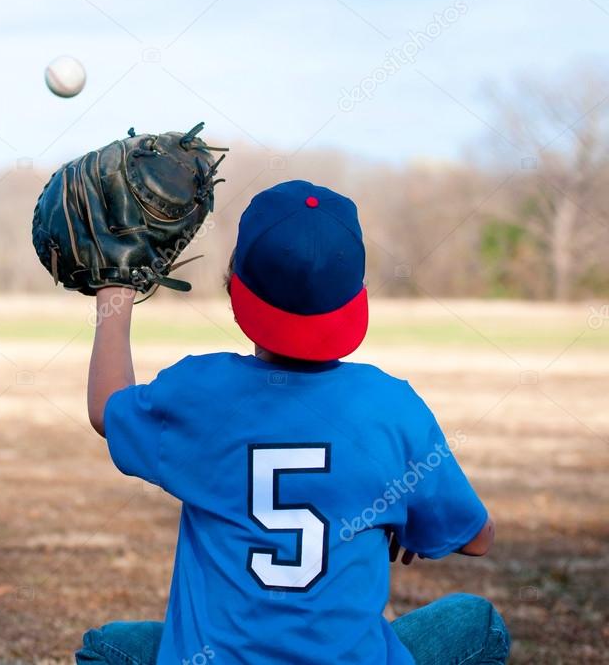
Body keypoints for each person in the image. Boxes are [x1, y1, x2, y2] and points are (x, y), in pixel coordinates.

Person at [79, 180, 510, 664]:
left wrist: (113, 290)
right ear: (355, 298)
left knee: (107, 648)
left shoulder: (201, 392)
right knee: (478, 624)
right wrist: (403, 519)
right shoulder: (391, 407)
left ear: (234, 286)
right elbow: (477, 538)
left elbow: (107, 407)